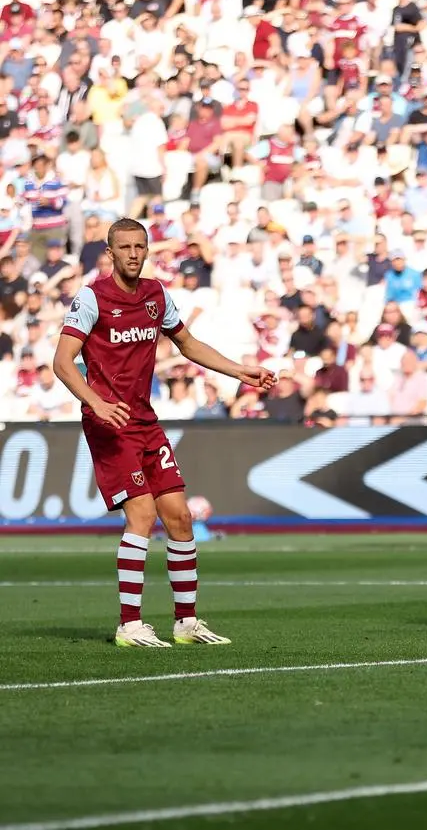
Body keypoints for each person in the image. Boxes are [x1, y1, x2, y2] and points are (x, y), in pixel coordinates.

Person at [52, 218, 276, 647]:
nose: (134, 254)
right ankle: (129, 625)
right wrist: (95, 402)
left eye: (140, 246)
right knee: (142, 515)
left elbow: (188, 344)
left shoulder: (156, 295)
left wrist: (239, 371)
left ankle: (186, 624)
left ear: (148, 249)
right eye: (125, 247)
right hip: (109, 422)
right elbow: (62, 363)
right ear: (110, 251)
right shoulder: (92, 297)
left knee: (180, 516)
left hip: (146, 421)